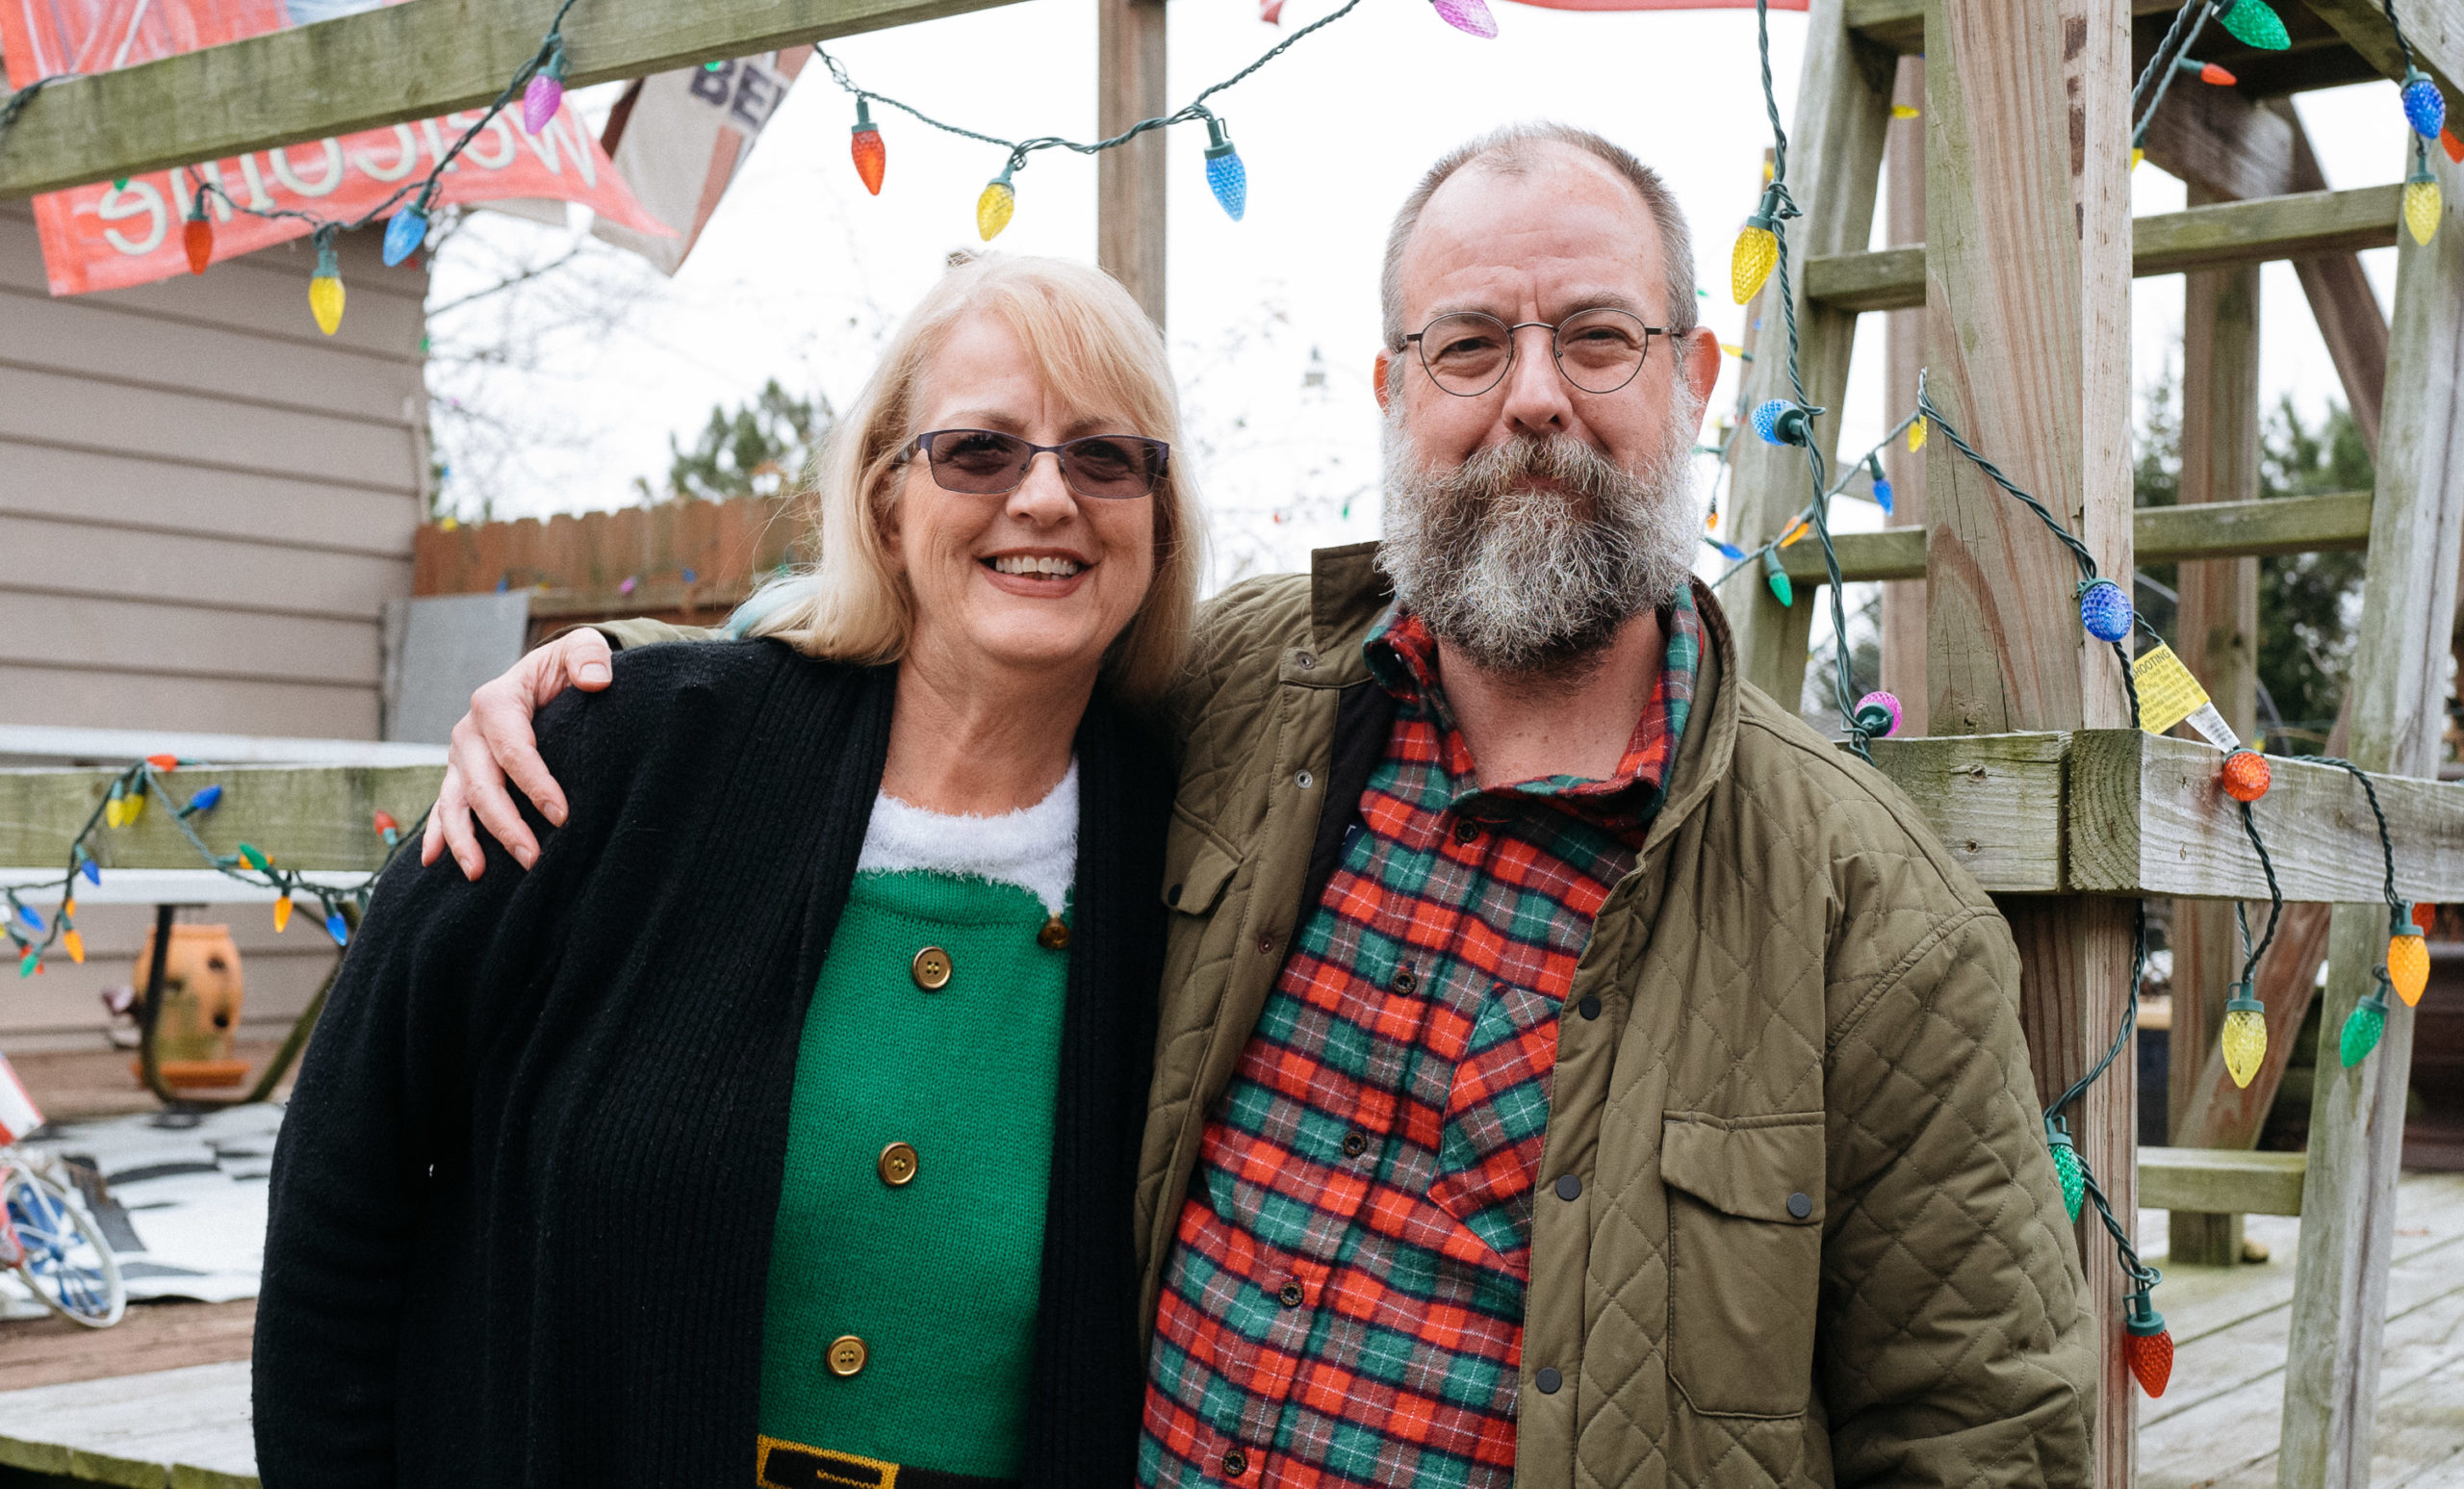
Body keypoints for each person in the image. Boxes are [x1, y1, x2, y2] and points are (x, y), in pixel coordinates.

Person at [428, 122, 2099, 1487]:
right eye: (1468, 344)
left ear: (1696, 379)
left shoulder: (1865, 916)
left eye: (1596, 336)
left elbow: (1983, 1437)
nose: (1532, 396)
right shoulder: (1240, 699)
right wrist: (622, 682)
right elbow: (946, 648)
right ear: (1393, 392)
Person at [254, 253, 1203, 1489]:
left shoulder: (1191, 844)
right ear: (883, 501)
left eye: (1104, 457)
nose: (1045, 498)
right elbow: (347, 1172)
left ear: (1157, 515)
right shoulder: (615, 756)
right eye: (978, 450)